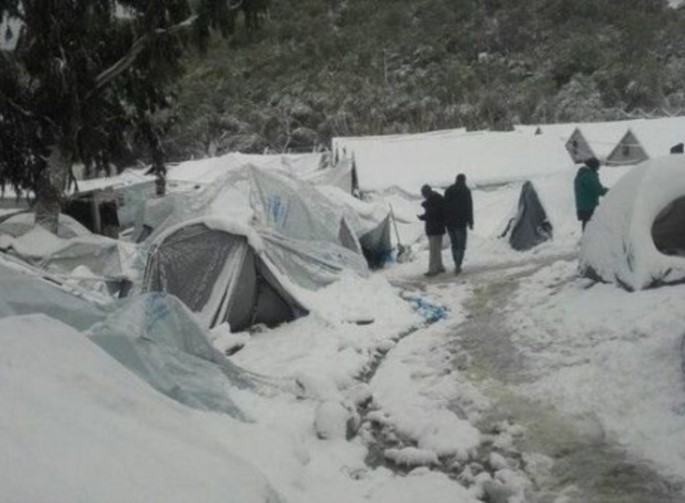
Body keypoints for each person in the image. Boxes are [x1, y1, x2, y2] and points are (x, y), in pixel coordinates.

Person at [443, 173, 473, 274]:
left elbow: (444, 207)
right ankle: (458, 265)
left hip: (450, 223)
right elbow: (469, 207)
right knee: (461, 245)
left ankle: (456, 262)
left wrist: (445, 221)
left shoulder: (448, 190)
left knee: (454, 244)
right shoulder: (466, 191)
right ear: (464, 180)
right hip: (461, 223)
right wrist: (470, 222)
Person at [417, 184, 446, 276]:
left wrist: (425, 207)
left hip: (434, 228)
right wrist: (423, 216)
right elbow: (432, 214)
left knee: (433, 250)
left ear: (427, 193)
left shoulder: (433, 201)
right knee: (437, 249)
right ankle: (439, 266)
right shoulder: (437, 199)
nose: (423, 196)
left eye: (424, 194)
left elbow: (433, 214)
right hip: (437, 228)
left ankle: (433, 269)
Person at [574, 157, 608, 231]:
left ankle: (586, 237)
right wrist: (611, 191)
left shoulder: (581, 174)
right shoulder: (588, 176)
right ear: (593, 166)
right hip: (589, 206)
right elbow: (598, 189)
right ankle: (588, 238)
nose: (598, 169)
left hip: (583, 206)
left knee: (586, 224)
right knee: (591, 226)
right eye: (598, 167)